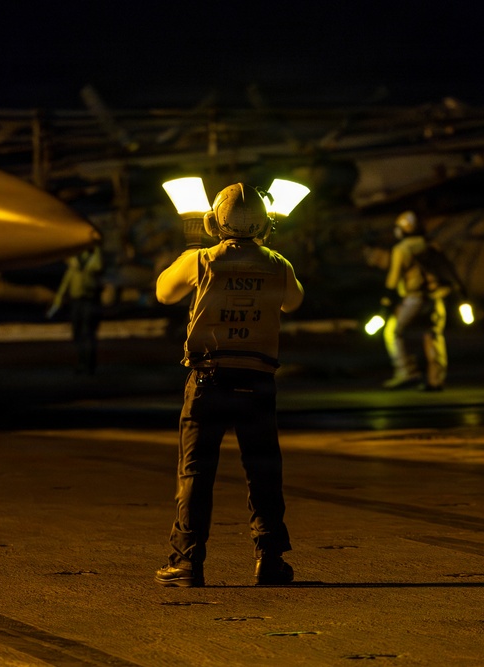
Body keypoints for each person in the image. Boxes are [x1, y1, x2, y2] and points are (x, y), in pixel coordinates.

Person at [154, 183, 304, 587]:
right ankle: (270, 561)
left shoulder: (199, 259)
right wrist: (268, 250)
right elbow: (294, 301)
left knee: (195, 473)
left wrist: (189, 251)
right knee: (263, 472)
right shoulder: (278, 263)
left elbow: (163, 293)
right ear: (264, 224)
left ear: (213, 221)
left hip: (208, 380)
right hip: (258, 381)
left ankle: (186, 563)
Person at [381, 211, 449, 391]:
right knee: (433, 336)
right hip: (435, 298)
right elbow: (447, 270)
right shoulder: (431, 245)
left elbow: (393, 279)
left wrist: (386, 303)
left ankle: (406, 372)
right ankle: (436, 380)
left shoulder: (401, 249)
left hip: (414, 298)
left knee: (394, 332)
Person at [47, 245, 105, 374]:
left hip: (90, 301)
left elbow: (98, 266)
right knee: (78, 333)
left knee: (87, 333)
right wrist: (56, 304)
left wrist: (95, 250)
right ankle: (82, 363)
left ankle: (89, 365)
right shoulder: (73, 267)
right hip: (76, 303)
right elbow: (65, 285)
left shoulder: (92, 263)